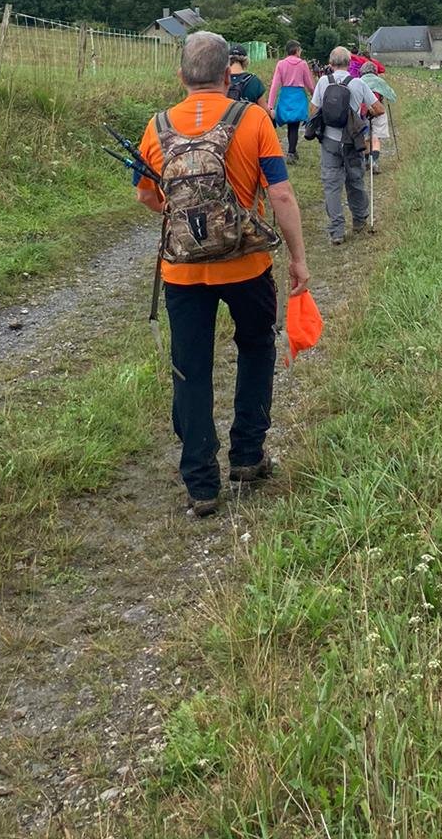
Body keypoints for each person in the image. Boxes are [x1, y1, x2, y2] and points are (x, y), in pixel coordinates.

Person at [136, 31, 310, 517]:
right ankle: (248, 456)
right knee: (255, 348)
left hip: (182, 271)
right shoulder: (253, 119)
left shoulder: (157, 126)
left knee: (190, 368)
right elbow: (280, 193)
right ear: (227, 75)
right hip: (247, 264)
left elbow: (145, 195)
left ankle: (201, 484)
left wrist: (188, 221)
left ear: (181, 76)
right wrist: (298, 257)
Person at [308, 45, 384, 244]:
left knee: (331, 185)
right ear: (350, 63)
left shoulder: (324, 82)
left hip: (329, 141)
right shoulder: (358, 83)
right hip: (352, 140)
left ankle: (337, 231)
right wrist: (364, 114)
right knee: (355, 180)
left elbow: (313, 109)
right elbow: (379, 109)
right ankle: (359, 220)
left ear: (330, 63)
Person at [267, 41, 316, 161]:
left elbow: (275, 85)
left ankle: (289, 150)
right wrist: (314, 95)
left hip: (286, 95)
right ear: (297, 50)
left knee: (288, 123)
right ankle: (291, 151)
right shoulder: (303, 64)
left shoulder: (281, 64)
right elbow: (309, 84)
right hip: (298, 96)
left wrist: (270, 105)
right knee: (294, 125)